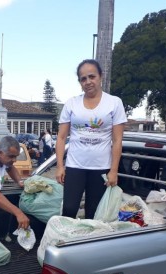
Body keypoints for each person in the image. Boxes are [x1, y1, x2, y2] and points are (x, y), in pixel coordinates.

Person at [55, 59, 127, 219]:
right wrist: (60, 166)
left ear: (100, 76)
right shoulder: (72, 103)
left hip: (101, 167)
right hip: (75, 166)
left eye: (91, 76)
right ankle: (67, 242)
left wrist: (114, 171)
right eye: (83, 78)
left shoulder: (114, 103)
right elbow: (61, 138)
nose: (88, 82)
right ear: (80, 82)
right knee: (69, 208)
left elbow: (117, 140)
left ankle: (86, 243)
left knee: (94, 213)